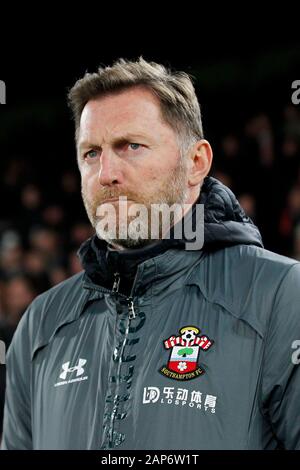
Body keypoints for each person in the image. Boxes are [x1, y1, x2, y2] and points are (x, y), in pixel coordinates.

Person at [2, 58, 300, 450]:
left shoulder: (281, 295)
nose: (106, 172)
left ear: (196, 163)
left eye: (131, 146)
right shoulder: (42, 323)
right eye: (91, 153)